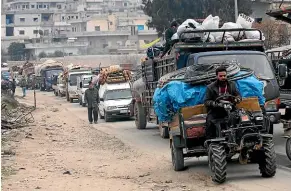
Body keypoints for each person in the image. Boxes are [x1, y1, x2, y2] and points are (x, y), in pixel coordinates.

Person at [204, 66, 242, 139]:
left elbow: (238, 95)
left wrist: (237, 99)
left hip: (231, 108)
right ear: (217, 76)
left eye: (224, 75)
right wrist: (216, 104)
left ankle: (238, 137)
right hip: (216, 110)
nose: (223, 77)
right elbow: (206, 101)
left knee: (241, 117)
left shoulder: (232, 84)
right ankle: (210, 140)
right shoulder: (210, 87)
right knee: (209, 121)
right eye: (221, 76)